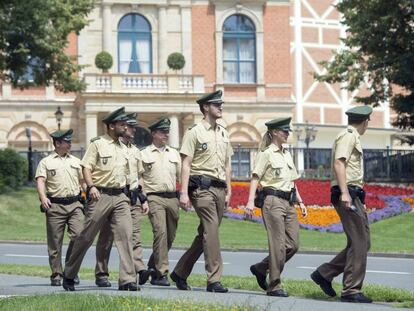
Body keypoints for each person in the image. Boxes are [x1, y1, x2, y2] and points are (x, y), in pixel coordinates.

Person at [62, 107, 137, 291]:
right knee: (86, 236)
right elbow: (86, 167)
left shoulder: (123, 147)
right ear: (111, 126)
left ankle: (127, 279)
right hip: (100, 195)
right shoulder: (97, 144)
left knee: (126, 235)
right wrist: (91, 186)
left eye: (126, 124)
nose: (126, 127)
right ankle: (69, 274)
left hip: (120, 196)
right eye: (122, 124)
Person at [170, 90, 233, 293]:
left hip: (219, 189)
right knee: (211, 231)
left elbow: (227, 164)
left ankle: (180, 272)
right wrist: (184, 193)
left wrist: (229, 190)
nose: (220, 107)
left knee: (206, 233)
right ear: (206, 107)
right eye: (216, 104)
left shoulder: (223, 132)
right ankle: (214, 279)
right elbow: (186, 164)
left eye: (221, 104)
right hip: (202, 189)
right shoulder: (194, 131)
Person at [310, 106, 373, 303]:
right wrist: (345, 193)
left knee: (363, 242)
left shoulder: (351, 135)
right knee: (359, 243)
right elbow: (339, 163)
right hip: (347, 193)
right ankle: (351, 290)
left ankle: (325, 273)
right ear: (365, 121)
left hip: (353, 194)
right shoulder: (348, 135)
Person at [244, 117, 307, 297]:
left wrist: (300, 202)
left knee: (293, 245)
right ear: (274, 133)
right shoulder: (266, 153)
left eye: (288, 131)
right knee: (277, 245)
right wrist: (250, 202)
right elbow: (255, 177)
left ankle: (260, 268)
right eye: (284, 131)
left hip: (289, 202)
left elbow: (292, 182)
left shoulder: (286, 154)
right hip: (272, 201)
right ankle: (274, 285)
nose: (287, 134)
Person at [94, 112, 151, 288]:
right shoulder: (109, 146)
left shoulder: (134, 151)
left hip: (131, 199)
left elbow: (140, 176)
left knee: (131, 236)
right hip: (112, 196)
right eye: (129, 126)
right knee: (106, 238)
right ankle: (101, 273)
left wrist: (143, 198)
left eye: (133, 126)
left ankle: (135, 271)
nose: (131, 129)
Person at [35, 129, 84, 286]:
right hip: (55, 205)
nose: (70, 144)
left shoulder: (76, 161)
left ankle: (70, 271)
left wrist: (86, 193)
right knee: (55, 243)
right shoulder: (46, 162)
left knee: (79, 236)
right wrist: (43, 197)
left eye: (70, 141)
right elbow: (41, 180)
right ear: (57, 143)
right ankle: (57, 273)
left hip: (75, 204)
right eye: (67, 142)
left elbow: (83, 181)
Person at [140, 118, 181, 286]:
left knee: (170, 236)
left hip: (172, 198)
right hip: (154, 197)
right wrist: (143, 199)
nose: (166, 134)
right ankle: (160, 273)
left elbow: (181, 176)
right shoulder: (144, 154)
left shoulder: (174, 153)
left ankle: (152, 266)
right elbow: (139, 178)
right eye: (163, 132)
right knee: (160, 233)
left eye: (167, 132)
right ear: (154, 133)